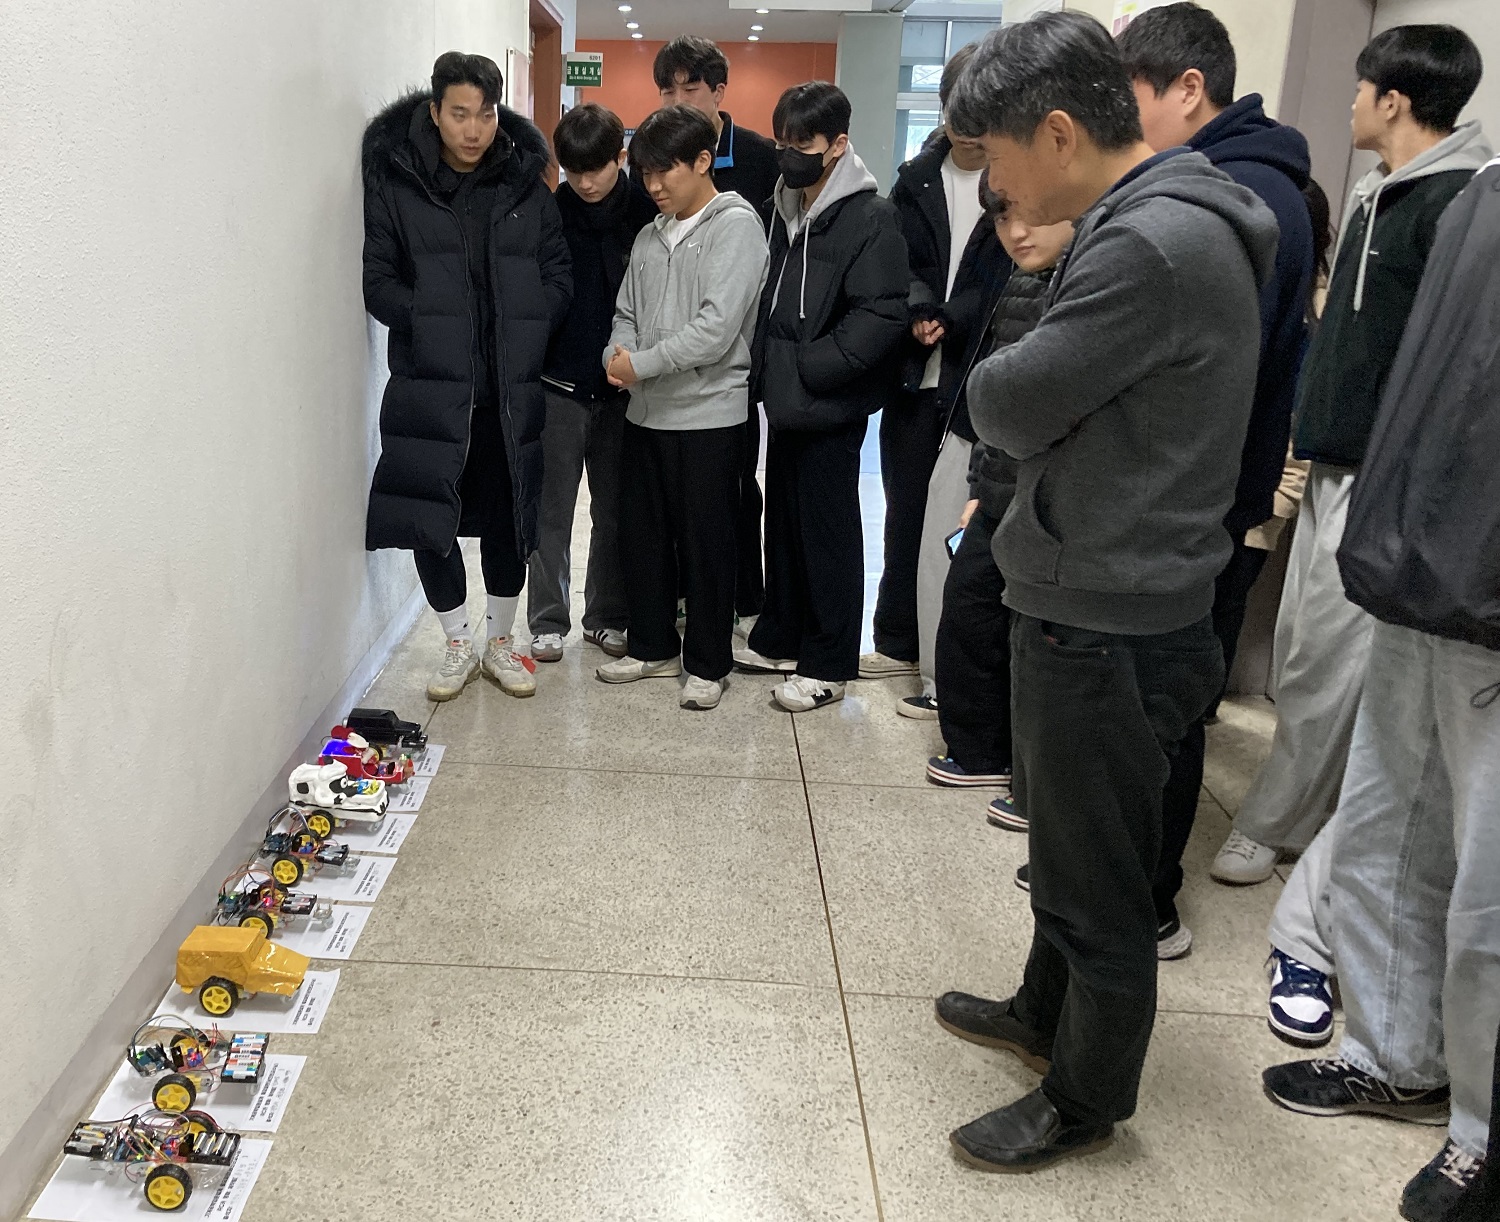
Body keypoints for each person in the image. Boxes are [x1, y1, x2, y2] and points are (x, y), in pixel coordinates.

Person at [934, 12, 1277, 1172]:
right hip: (1097, 584)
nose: (999, 192)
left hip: (1113, 609)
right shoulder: (1146, 218)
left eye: (998, 159)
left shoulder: (1150, 245)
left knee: (1098, 882)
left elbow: (1008, 400)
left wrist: (1001, 377)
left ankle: (1085, 1098)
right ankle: (1044, 1012)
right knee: (1070, 852)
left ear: (1058, 132)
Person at [1262, 151, 1500, 1222]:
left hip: (1485, 589)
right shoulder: (1478, 195)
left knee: (1487, 887)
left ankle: (1480, 1133)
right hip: (1414, 562)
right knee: (1388, 821)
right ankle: (1394, 1056)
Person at [1210, 24, 1490, 886]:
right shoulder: (1374, 191)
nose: (1352, 103)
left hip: (1385, 475)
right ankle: (1317, 813)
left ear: (1393, 101)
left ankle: (1273, 823)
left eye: (1362, 89)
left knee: (1328, 661)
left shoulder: (1458, 204)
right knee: (1305, 649)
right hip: (1329, 459)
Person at [1115, 2, 1315, 954]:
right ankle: (1120, 876)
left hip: (1195, 508)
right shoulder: (1248, 182)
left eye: (1133, 98)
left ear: (1189, 88)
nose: (1124, 121)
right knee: (1155, 704)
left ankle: (1147, 900)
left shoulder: (1238, 197)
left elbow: (1212, 383)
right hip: (1199, 501)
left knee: (1166, 706)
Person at [362, 51, 571, 703]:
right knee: (431, 519)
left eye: (485, 114)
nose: (473, 129)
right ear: (434, 112)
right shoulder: (401, 183)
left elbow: (557, 271)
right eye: (459, 114)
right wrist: (433, 322)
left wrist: (529, 325)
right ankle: (456, 642)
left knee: (510, 519)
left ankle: (500, 641)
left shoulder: (523, 185)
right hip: (431, 386)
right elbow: (378, 283)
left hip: (507, 392)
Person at [732, 82, 909, 712]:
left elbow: (880, 316)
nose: (787, 154)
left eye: (801, 143)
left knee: (827, 530)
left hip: (828, 399)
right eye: (781, 140)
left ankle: (829, 662)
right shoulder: (782, 208)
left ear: (837, 145)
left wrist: (810, 368)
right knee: (784, 520)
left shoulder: (871, 217)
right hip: (785, 395)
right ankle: (782, 633)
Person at [596, 105, 769, 710]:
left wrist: (639, 365)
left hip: (709, 416)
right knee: (643, 537)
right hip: (645, 414)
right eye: (644, 173)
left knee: (707, 545)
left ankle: (708, 664)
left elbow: (716, 330)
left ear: (702, 161)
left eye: (664, 171)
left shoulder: (736, 227)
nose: (653, 185)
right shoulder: (649, 235)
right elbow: (625, 312)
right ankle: (651, 647)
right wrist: (616, 355)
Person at [863, 42, 1001, 692]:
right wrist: (919, 310)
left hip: (976, 371)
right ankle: (897, 639)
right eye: (954, 113)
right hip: (916, 371)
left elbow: (1007, 278)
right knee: (905, 511)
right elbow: (897, 261)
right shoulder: (915, 179)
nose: (964, 131)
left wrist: (954, 315)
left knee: (958, 522)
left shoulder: (1013, 179)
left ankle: (944, 658)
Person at [927, 187, 1073, 800]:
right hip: (1000, 485)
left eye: (1033, 214)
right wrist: (980, 486)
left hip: (1052, 501)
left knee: (1034, 640)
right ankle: (980, 751)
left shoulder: (1085, 285)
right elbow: (997, 400)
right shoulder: (1023, 280)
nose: (1017, 232)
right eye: (1004, 217)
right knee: (970, 611)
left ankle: (1026, 773)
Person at [654, 35, 780, 630]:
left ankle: (743, 599)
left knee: (735, 486)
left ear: (719, 92)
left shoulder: (758, 157)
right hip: (669, 359)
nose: (677, 100)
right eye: (668, 89)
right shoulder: (657, 157)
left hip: (736, 353)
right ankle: (685, 596)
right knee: (675, 494)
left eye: (691, 88)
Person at [527, 104, 658, 665]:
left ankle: (606, 616)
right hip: (557, 385)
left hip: (625, 390)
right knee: (550, 512)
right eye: (572, 170)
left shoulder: (646, 213)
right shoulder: (548, 212)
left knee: (615, 512)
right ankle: (546, 620)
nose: (584, 183)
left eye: (596, 169)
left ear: (619, 158)